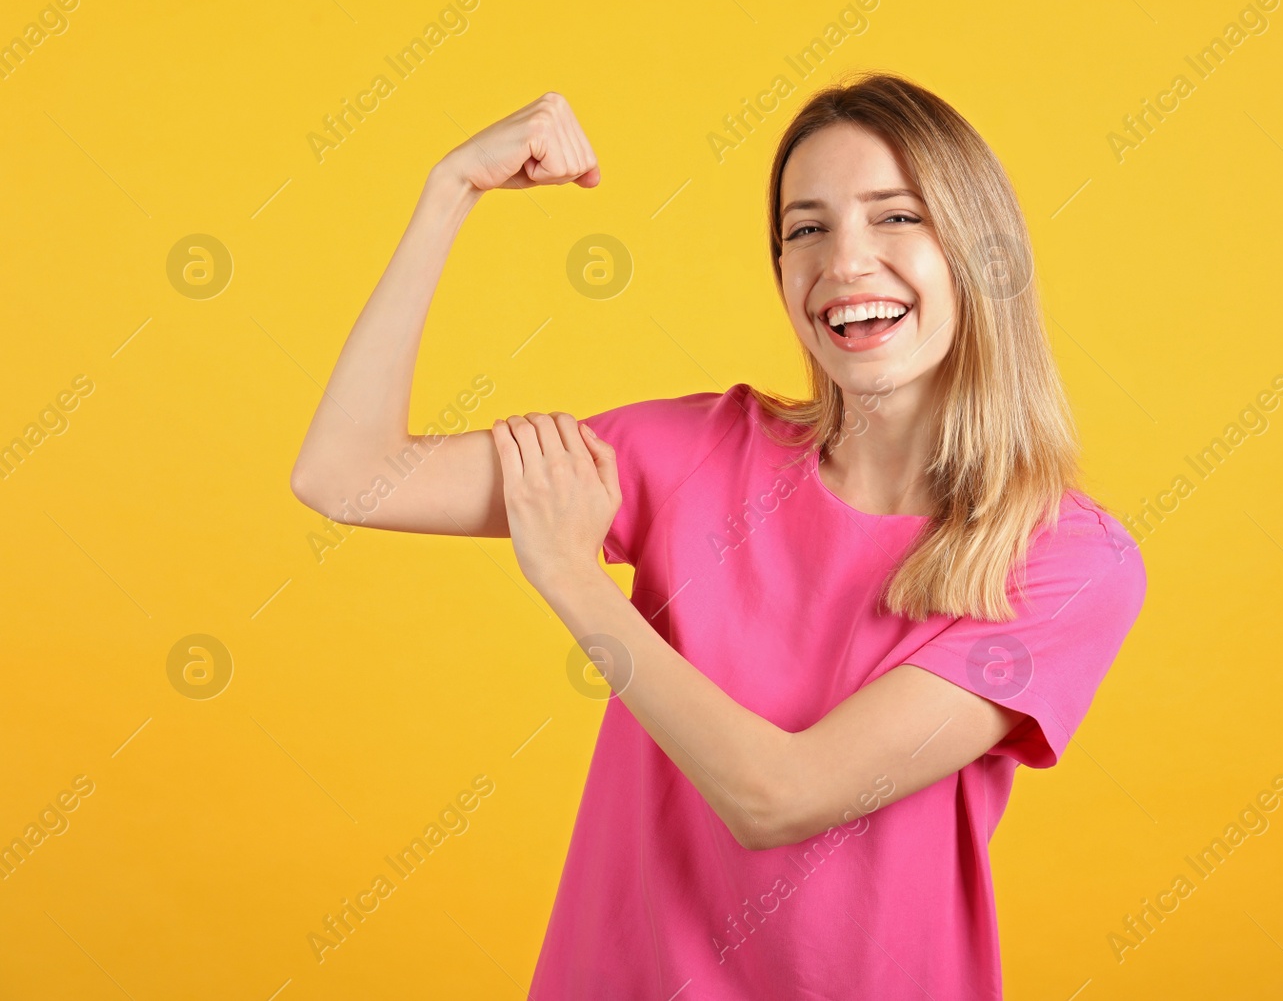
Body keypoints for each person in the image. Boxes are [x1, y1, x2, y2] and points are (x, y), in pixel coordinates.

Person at [290, 72, 1147, 999]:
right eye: (806, 228)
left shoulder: (1064, 561)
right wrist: (449, 190)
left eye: (896, 217)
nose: (844, 262)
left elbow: (777, 797)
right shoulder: (690, 453)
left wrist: (573, 582)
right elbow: (344, 474)